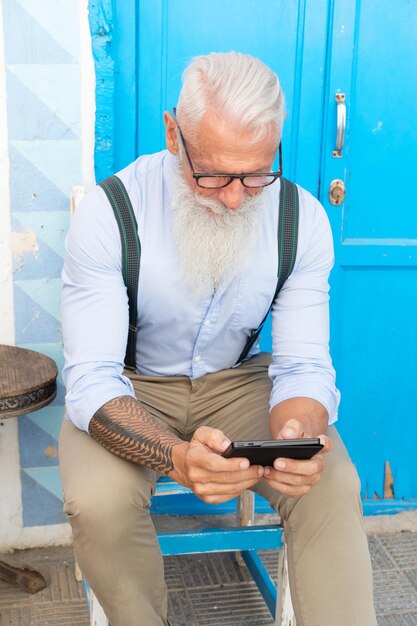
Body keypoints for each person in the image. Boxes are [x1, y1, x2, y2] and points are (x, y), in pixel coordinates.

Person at [59, 52, 377, 626]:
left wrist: (298, 436)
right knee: (99, 504)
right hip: (128, 387)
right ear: (173, 134)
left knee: (332, 482)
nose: (235, 197)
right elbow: (90, 380)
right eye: (214, 174)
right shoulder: (111, 213)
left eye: (256, 173)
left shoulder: (301, 220)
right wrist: (176, 459)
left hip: (238, 382)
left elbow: (304, 366)